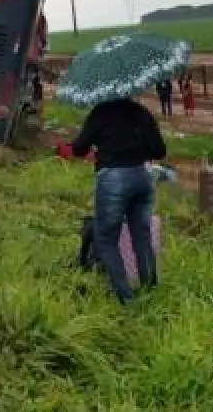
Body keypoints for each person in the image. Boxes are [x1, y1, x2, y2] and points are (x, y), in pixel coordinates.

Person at [70, 97, 165, 303]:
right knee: (141, 236)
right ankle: (151, 291)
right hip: (143, 176)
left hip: (114, 178)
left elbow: (78, 149)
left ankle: (126, 298)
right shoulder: (141, 112)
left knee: (106, 239)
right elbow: (159, 150)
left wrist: (99, 145)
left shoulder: (101, 112)